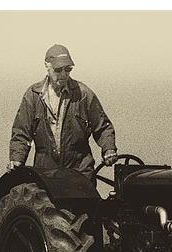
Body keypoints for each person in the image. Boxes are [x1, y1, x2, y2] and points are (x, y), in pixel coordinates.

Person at [7, 44, 118, 180]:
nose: (64, 74)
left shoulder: (83, 94)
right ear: (47, 66)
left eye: (68, 69)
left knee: (86, 200)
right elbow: (21, 132)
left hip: (80, 171)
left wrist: (109, 149)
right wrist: (17, 158)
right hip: (46, 173)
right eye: (58, 70)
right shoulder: (33, 96)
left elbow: (103, 127)